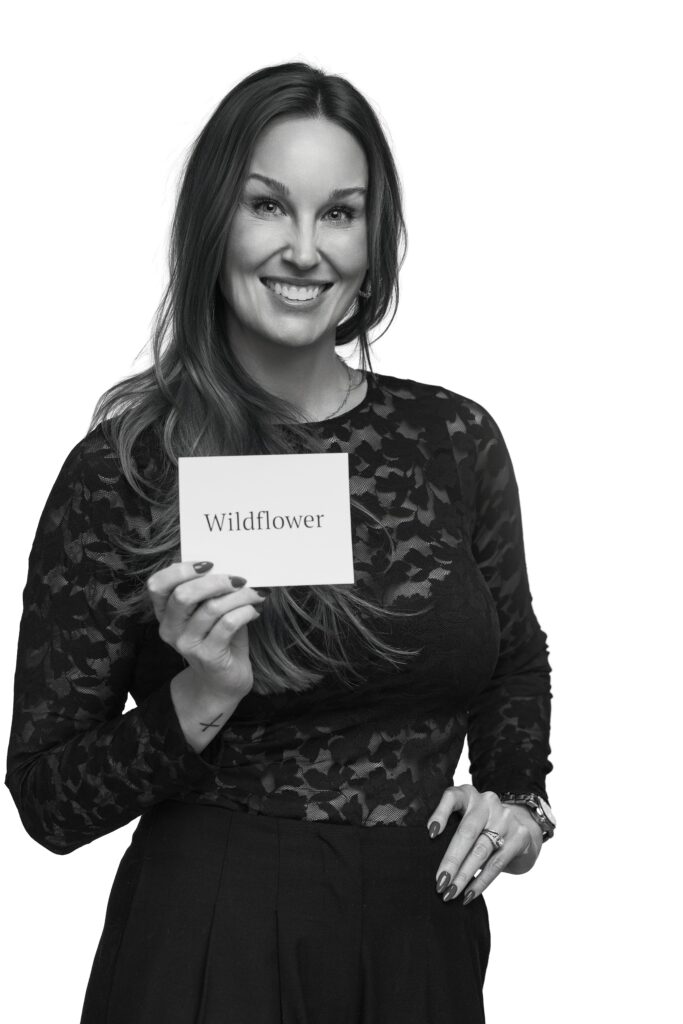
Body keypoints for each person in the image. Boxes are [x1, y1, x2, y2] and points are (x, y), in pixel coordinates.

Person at [4, 62, 555, 1024]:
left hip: (418, 942)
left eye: (338, 214)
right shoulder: (126, 469)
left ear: (372, 240)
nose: (304, 250)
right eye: (269, 207)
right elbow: (48, 801)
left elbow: (513, 657)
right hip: (211, 936)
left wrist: (517, 801)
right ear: (215, 222)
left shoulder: (454, 440)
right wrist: (200, 698)